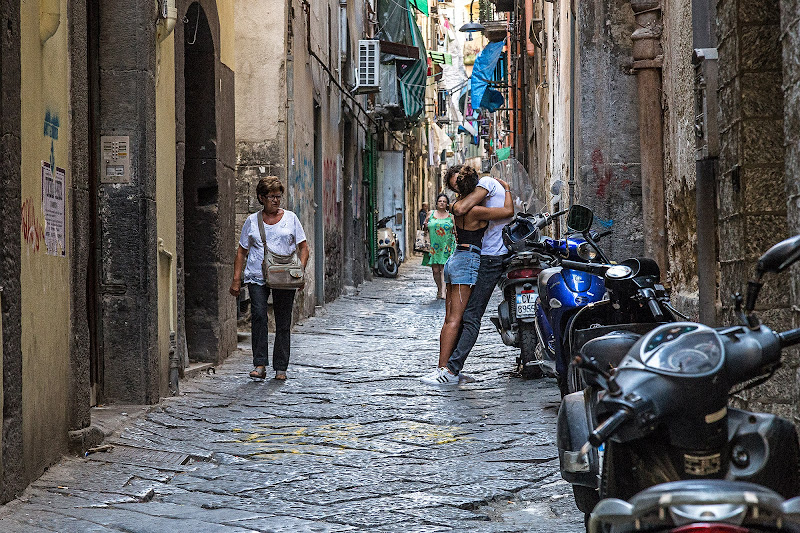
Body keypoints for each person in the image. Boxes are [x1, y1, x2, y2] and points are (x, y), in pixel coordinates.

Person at [420, 166, 513, 385]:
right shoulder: (475, 210)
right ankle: (448, 372)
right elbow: (508, 212)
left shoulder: (458, 207)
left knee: (449, 318)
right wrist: (507, 190)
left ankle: (443, 368)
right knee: (459, 319)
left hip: (454, 258)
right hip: (468, 260)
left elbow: (458, 208)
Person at [229, 176, 309, 381]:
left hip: (284, 276)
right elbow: (241, 251)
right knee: (258, 316)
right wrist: (237, 279)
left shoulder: (291, 218)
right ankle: (260, 364)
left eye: (278, 196)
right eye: (272, 196)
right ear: (261, 198)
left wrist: (299, 272)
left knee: (283, 321)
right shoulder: (251, 221)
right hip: (257, 276)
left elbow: (303, 248)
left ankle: (281, 367)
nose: (276, 200)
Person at [421, 193, 456, 299]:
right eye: (440, 201)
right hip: (433, 246)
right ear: (436, 203)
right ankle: (439, 288)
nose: (442, 203)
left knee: (444, 268)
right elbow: (424, 228)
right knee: (435, 270)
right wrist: (425, 226)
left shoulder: (451, 216)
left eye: (444, 202)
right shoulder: (430, 214)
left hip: (447, 245)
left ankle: (444, 292)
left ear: (447, 204)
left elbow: (455, 230)